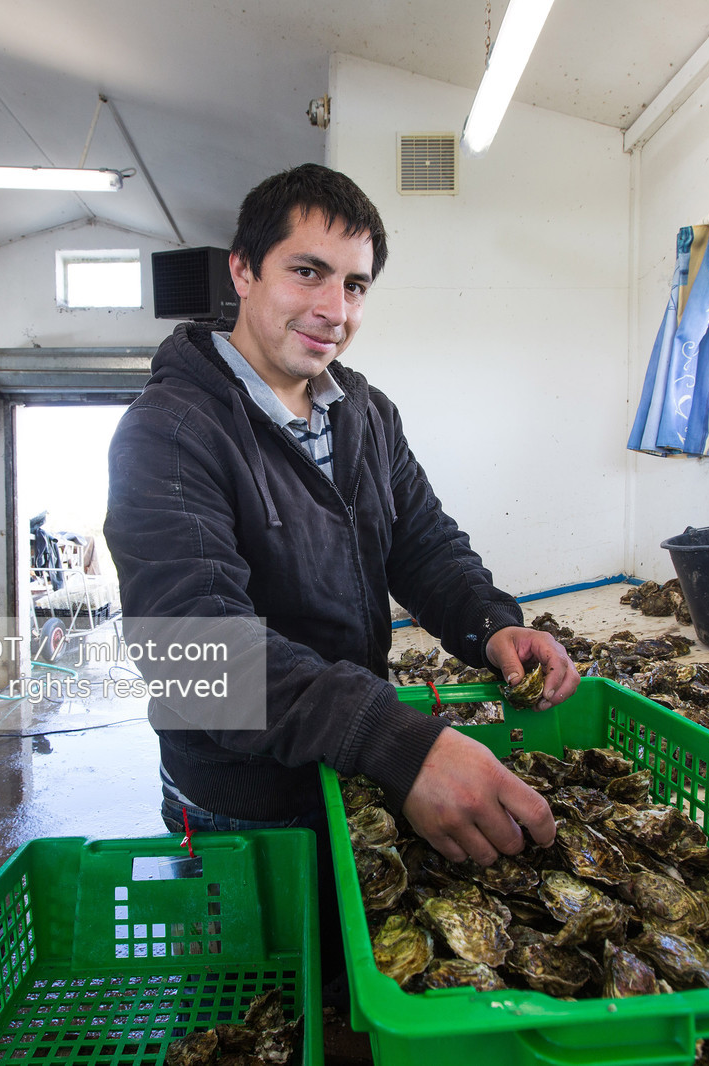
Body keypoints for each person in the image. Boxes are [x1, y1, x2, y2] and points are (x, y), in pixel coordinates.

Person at [104, 163, 577, 907]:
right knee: (270, 990)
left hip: (349, 758)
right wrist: (401, 744)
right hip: (244, 798)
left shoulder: (364, 411)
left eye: (354, 286)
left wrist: (491, 626)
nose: (334, 308)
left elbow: (423, 543)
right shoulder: (168, 433)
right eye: (307, 272)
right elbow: (193, 650)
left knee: (349, 965)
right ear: (243, 270)